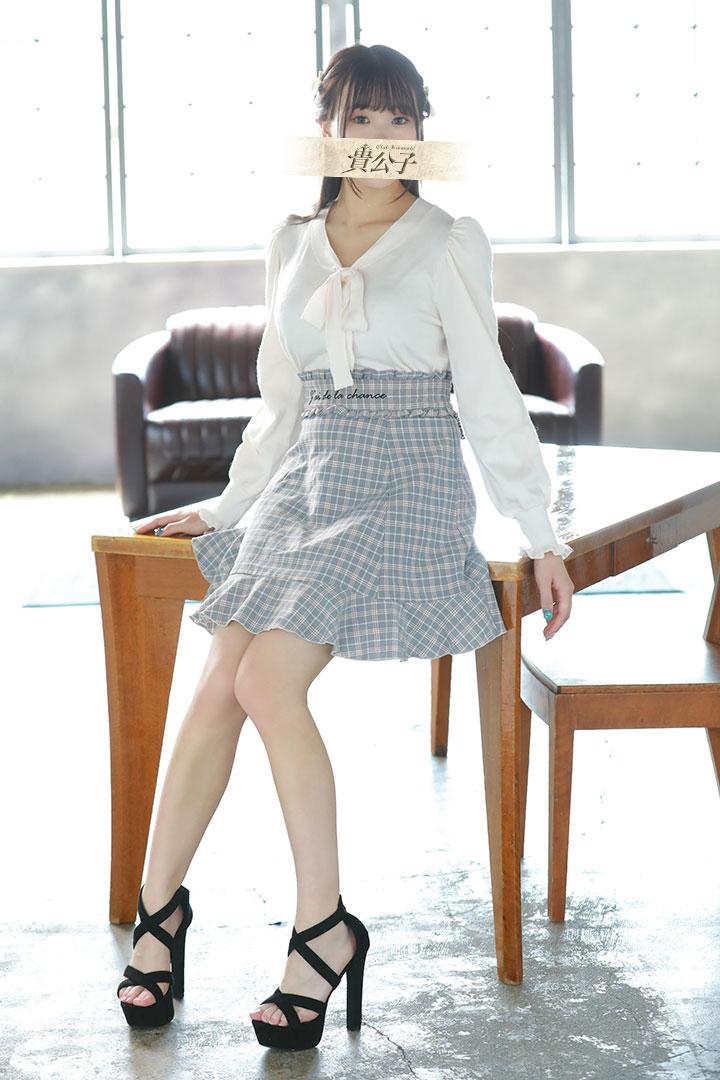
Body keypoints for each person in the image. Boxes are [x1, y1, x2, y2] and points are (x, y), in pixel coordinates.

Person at [121, 43, 574, 1049]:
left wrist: (540, 532)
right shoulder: (292, 242)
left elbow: (487, 391)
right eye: (359, 118)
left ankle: (321, 929)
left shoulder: (448, 238)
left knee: (263, 680)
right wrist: (228, 508)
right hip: (309, 476)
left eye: (398, 117)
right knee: (220, 680)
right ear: (327, 130)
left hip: (406, 477)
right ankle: (160, 915)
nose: (379, 137)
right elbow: (280, 400)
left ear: (421, 132)